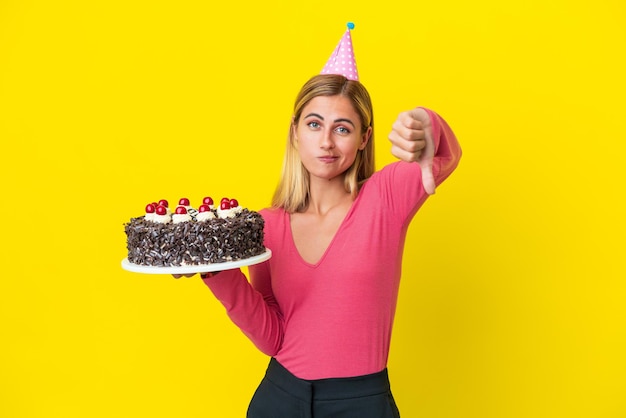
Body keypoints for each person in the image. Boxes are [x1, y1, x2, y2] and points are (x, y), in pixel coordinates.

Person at [175, 26, 461, 417]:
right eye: (314, 124)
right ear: (295, 133)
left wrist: (424, 123)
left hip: (361, 403)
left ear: (364, 138)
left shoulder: (385, 198)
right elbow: (273, 338)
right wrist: (215, 272)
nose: (326, 141)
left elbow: (443, 155)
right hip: (279, 397)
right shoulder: (264, 225)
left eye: (342, 128)